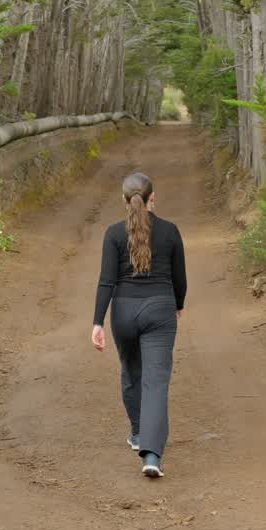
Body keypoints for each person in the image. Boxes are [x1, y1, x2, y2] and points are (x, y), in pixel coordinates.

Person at [91, 172, 186, 478]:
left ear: (124, 201)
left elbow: (106, 282)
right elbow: (179, 279)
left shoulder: (114, 234)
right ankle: (152, 455)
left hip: (123, 312)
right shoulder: (170, 232)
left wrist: (97, 323)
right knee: (155, 382)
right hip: (160, 310)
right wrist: (178, 305)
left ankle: (136, 432)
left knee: (132, 372)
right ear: (152, 198)